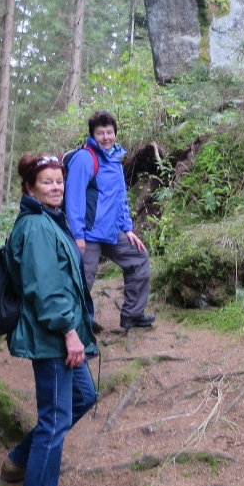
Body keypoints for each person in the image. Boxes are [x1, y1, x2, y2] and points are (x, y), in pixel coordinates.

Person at [0, 153, 98, 486]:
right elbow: (46, 290)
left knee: (84, 397)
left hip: (60, 336)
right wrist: (70, 334)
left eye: (59, 180)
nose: (56, 187)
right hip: (53, 339)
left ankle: (19, 461)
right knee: (54, 420)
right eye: (47, 182)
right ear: (29, 187)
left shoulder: (49, 220)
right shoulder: (38, 228)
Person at [64, 109, 155, 331]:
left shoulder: (114, 159)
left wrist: (128, 228)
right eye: (100, 133)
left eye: (109, 132)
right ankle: (76, 330)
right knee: (82, 280)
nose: (106, 137)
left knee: (139, 258)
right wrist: (78, 235)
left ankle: (132, 315)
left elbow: (120, 198)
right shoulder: (84, 158)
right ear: (92, 135)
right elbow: (73, 198)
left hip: (112, 231)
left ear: (115, 133)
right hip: (88, 233)